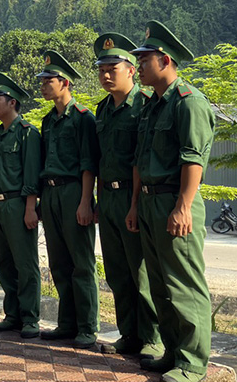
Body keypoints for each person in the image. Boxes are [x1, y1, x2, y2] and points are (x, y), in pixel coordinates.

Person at [130, 21, 214, 382]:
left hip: (174, 202)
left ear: (165, 60)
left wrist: (182, 206)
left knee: (184, 283)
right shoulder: (152, 107)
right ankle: (172, 351)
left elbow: (193, 158)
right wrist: (135, 205)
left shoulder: (189, 103)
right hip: (149, 202)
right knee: (160, 283)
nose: (139, 67)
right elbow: (139, 160)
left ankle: (194, 363)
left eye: (145, 59)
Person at [92, 33, 163, 358]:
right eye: (101, 69)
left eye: (113, 68)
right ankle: (129, 334)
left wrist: (134, 204)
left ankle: (152, 338)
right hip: (106, 198)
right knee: (117, 271)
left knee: (141, 272)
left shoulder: (144, 108)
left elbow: (139, 161)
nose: (106, 75)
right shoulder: (102, 110)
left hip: (131, 198)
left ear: (132, 70)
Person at [36, 51, 100, 349]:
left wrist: (86, 201)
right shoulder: (47, 121)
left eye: (49, 81)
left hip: (74, 190)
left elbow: (89, 163)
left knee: (81, 263)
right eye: (43, 81)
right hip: (50, 194)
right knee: (59, 262)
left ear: (65, 83)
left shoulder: (84, 118)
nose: (43, 85)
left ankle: (87, 327)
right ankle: (67, 323)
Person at [0, 73, 42, 339]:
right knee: (4, 263)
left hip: (18, 203)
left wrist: (30, 207)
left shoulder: (27, 133)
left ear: (12, 102)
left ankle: (31, 318)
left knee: (25, 263)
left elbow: (31, 174)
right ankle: (13, 314)